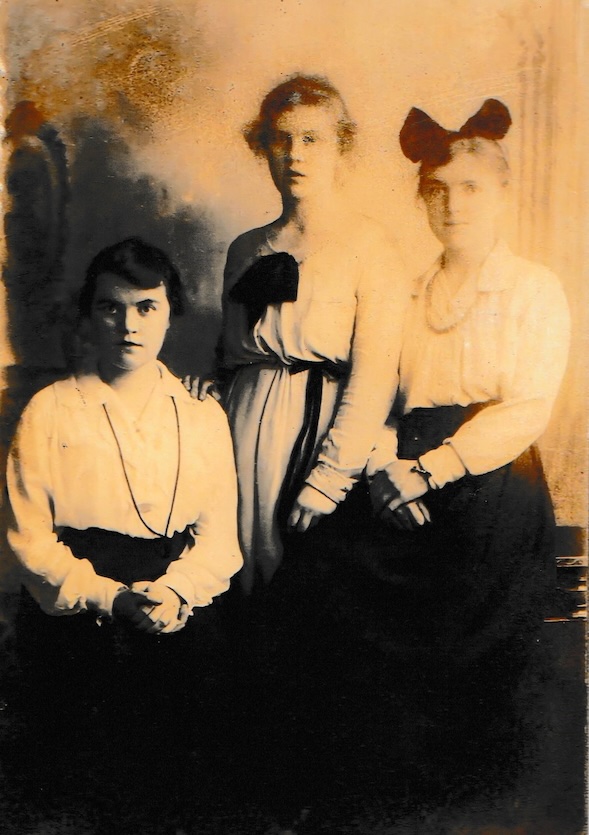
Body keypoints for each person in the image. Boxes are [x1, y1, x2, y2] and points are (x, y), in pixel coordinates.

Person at [312, 99, 571, 819]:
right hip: (400, 469)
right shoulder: (406, 290)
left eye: (470, 188)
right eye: (436, 190)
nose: (452, 204)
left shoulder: (532, 290)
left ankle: (478, 808)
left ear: (501, 195)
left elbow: (524, 409)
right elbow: (382, 402)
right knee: (327, 570)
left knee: (470, 640)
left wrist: (430, 470)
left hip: (491, 477)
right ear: (421, 198)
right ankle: (383, 800)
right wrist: (384, 469)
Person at [4, 237, 242, 812]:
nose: (128, 325)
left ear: (169, 316)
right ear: (89, 316)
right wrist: (110, 599)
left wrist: (174, 591)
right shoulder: (51, 409)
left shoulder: (201, 413)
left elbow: (220, 540)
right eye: (111, 307)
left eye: (146, 308)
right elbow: (28, 537)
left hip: (173, 601)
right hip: (79, 609)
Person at [192, 73, 409, 595]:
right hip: (240, 428)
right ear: (263, 148)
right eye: (281, 140)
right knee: (234, 569)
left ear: (342, 148)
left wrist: (329, 479)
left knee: (306, 583)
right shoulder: (244, 250)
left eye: (312, 139)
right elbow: (233, 355)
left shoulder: (369, 244)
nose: (296, 155)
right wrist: (207, 386)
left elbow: (375, 377)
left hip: (322, 431)